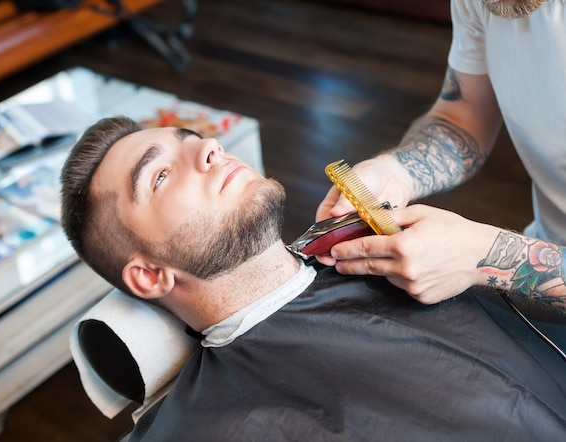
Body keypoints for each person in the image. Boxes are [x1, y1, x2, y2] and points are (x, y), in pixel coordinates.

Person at [61, 116, 565, 441]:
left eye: (191, 139)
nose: (210, 148)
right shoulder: (206, 427)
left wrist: (489, 252)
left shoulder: (426, 247)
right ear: (148, 276)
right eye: (161, 175)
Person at [316, 0, 566, 313]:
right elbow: (464, 115)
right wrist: (396, 172)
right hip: (538, 267)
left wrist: (485, 256)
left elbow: (485, 259)